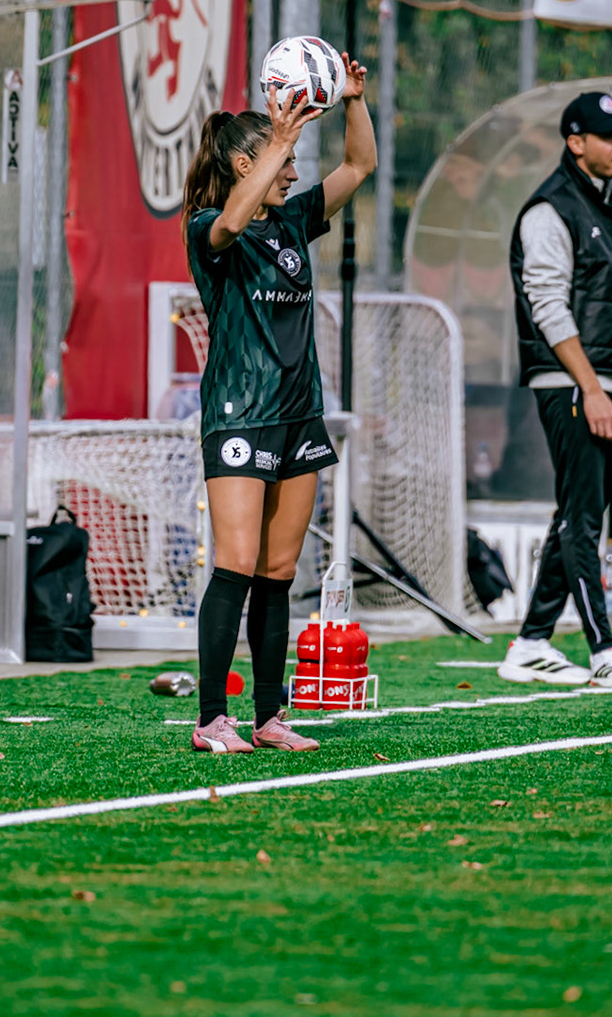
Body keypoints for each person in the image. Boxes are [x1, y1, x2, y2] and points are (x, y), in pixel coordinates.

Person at [183, 62, 377, 753]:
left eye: (292, 160)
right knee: (234, 563)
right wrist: (277, 143)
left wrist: (354, 100)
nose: (292, 173)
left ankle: (269, 717)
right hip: (240, 413)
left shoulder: (294, 221)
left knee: (278, 572)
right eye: (283, 159)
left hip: (298, 413)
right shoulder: (211, 224)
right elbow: (234, 218)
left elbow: (361, 163)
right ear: (246, 161)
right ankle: (211, 719)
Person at [497, 90, 612, 689]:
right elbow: (546, 308)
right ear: (575, 142)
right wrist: (592, 387)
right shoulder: (548, 210)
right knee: (583, 516)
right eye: (608, 136)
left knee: (581, 508)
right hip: (571, 383)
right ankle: (603, 646)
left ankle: (530, 643)